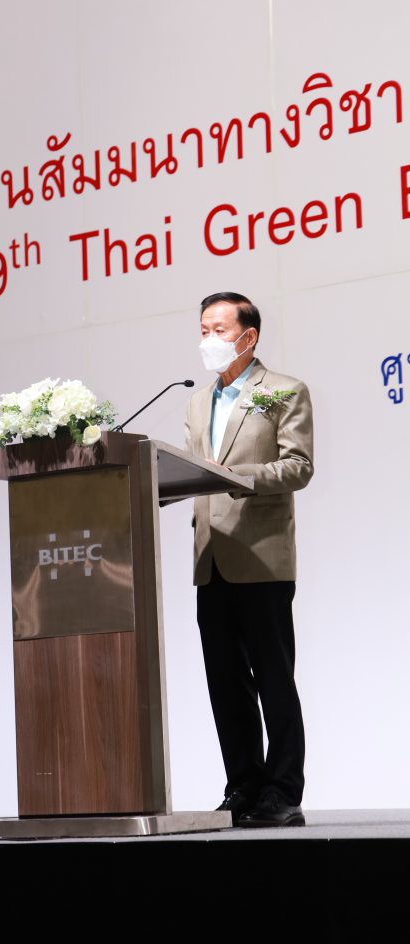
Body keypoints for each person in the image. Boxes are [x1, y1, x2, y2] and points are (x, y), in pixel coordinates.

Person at [184, 291, 314, 828]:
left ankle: (282, 791)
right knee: (225, 681)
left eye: (219, 329)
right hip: (211, 557)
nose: (208, 339)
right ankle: (242, 785)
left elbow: (298, 466)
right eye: (203, 330)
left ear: (248, 336)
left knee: (274, 679)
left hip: (261, 556)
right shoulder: (197, 401)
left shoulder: (284, 390)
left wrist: (239, 477)